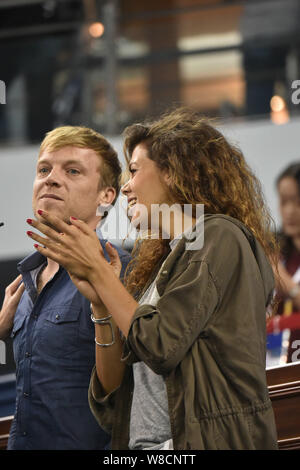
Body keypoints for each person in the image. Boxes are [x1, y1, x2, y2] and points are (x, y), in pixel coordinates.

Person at [25, 108, 279, 450]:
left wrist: (101, 274)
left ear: (172, 172)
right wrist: (100, 303)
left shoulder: (220, 235)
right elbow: (113, 396)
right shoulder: (163, 263)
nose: (126, 187)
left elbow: (161, 345)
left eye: (133, 171)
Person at [0, 126, 131, 450]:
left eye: (72, 171)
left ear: (106, 196)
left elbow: (120, 389)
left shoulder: (124, 271)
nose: (51, 178)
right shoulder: (22, 285)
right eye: (44, 169)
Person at [271, 162, 300, 363]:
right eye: (284, 202)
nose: (289, 211)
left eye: (297, 202)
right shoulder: (275, 251)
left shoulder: (279, 268)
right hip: (275, 360)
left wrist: (287, 285)